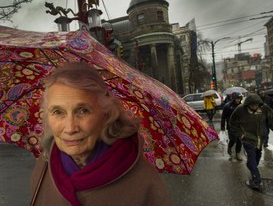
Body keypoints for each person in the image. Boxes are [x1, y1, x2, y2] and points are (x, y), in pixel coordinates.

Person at [30, 62, 172, 206]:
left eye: (83, 111)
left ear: (106, 114)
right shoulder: (44, 165)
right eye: (58, 112)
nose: (70, 128)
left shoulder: (143, 181)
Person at [229, 93, 273, 191]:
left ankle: (252, 167)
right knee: (252, 159)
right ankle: (257, 181)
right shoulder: (240, 110)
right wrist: (241, 134)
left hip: (260, 140)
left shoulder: (264, 108)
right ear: (248, 104)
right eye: (252, 105)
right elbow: (232, 123)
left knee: (256, 159)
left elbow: (272, 120)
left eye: (256, 105)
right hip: (247, 140)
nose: (254, 107)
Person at [220, 92, 243, 161]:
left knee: (239, 140)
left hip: (239, 126)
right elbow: (223, 117)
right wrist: (222, 127)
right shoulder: (227, 106)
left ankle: (237, 153)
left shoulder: (241, 106)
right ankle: (229, 147)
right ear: (234, 98)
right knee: (233, 139)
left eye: (239, 99)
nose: (238, 100)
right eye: (237, 99)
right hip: (231, 126)